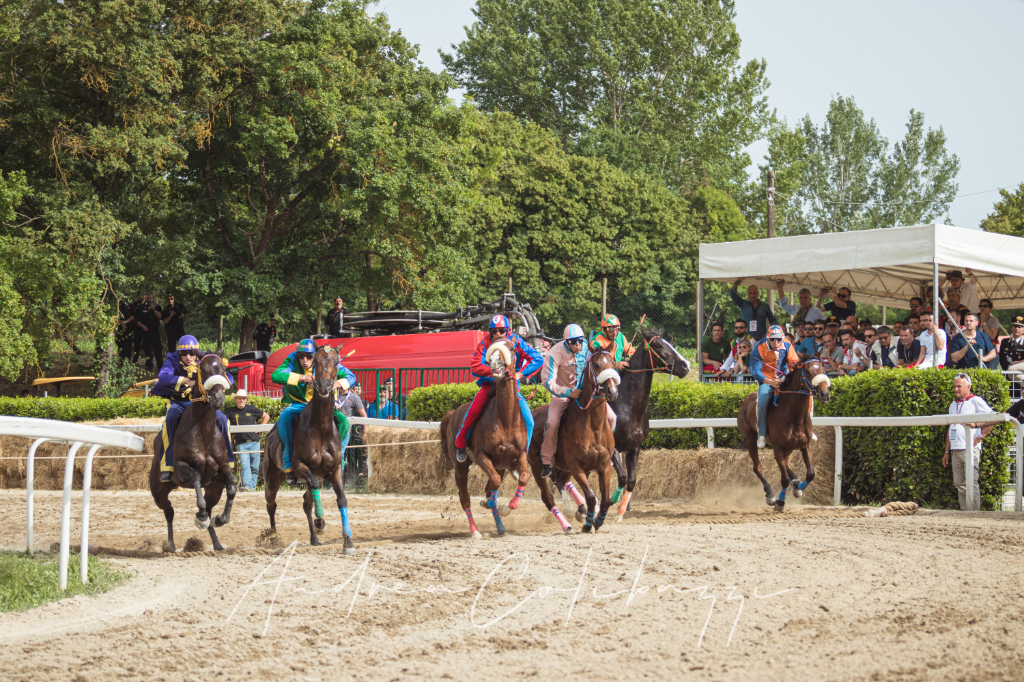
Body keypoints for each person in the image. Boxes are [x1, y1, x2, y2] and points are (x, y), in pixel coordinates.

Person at [455, 315, 543, 464]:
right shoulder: (484, 343)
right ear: (490, 331)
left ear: (507, 330)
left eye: (502, 330)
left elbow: (537, 358)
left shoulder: (516, 341)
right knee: (473, 412)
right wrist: (494, 372)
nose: (498, 334)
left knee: (529, 421)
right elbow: (475, 366)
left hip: (511, 387)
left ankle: (522, 456)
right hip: (490, 386)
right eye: (494, 331)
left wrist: (520, 373)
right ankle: (461, 444)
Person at [270, 339, 355, 485]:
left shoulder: (323, 359)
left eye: (309, 356)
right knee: (284, 417)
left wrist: (336, 383)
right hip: (299, 405)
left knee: (344, 422)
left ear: (314, 356)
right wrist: (304, 378)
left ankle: (339, 459)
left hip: (323, 408)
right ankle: (288, 461)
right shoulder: (291, 359)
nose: (304, 360)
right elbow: (276, 375)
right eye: (301, 356)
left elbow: (351, 376)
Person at [151, 335, 234, 483]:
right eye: (184, 354)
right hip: (178, 403)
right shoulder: (172, 359)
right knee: (169, 420)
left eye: (191, 353)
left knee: (222, 419)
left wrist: (218, 382)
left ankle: (228, 462)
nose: (188, 357)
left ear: (197, 353)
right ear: (179, 354)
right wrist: (186, 381)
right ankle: (168, 465)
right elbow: (163, 376)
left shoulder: (205, 359)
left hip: (201, 405)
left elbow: (228, 377)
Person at [539, 324, 618, 478]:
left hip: (586, 395)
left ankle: (608, 451)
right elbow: (547, 382)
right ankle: (547, 460)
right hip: (562, 395)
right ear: (566, 342)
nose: (578, 345)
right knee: (552, 423)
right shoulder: (554, 353)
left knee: (612, 417)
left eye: (580, 341)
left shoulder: (587, 350)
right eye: (574, 341)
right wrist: (568, 392)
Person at [943, 373, 993, 511]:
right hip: (955, 450)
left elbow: (993, 419)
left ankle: (974, 512)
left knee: (972, 482)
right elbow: (950, 428)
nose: (956, 389)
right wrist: (947, 451)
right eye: (954, 386)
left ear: (968, 387)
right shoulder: (953, 404)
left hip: (970, 449)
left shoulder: (976, 401)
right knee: (959, 483)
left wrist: (981, 437)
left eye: (959, 386)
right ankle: (965, 511)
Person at [748, 325, 802, 448]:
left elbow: (794, 363)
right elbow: (756, 371)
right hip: (767, 380)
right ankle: (761, 433)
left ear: (783, 338)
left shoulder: (787, 345)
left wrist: (788, 377)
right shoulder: (759, 348)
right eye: (772, 340)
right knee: (762, 401)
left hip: (784, 378)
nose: (776, 342)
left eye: (779, 339)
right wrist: (771, 382)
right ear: (767, 339)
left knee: (803, 395)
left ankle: (806, 428)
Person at [223, 389, 270, 492]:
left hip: (255, 442)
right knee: (245, 465)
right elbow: (222, 420)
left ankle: (251, 487)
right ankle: (248, 486)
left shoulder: (251, 409)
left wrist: (260, 427)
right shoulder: (230, 412)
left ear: (246, 400)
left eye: (243, 398)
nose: (241, 400)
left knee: (255, 466)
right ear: (235, 399)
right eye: (239, 398)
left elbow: (266, 416)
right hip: (241, 443)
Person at [335, 378, 367, 483]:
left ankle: (338, 482)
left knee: (340, 454)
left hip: (345, 430)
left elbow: (363, 415)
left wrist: (365, 431)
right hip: (331, 430)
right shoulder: (333, 395)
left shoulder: (354, 397)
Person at [134, 294, 163, 371]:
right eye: (148, 298)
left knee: (157, 349)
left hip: (155, 331)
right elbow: (138, 321)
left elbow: (160, 317)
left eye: (151, 298)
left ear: (153, 299)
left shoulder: (157, 307)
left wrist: (154, 310)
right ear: (146, 299)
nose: (149, 299)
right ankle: (149, 365)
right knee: (147, 349)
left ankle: (160, 366)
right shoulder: (142, 308)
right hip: (146, 331)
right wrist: (143, 326)